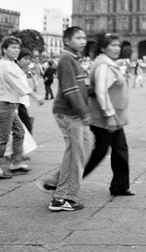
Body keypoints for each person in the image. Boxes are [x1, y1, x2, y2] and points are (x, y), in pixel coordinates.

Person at [35, 26, 92, 212]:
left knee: (75, 153)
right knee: (76, 155)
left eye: (84, 38)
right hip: (69, 113)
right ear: (67, 40)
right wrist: (83, 113)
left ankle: (62, 193)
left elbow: (78, 87)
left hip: (71, 112)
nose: (83, 41)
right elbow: (70, 90)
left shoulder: (73, 58)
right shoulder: (67, 58)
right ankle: (62, 197)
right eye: (78, 38)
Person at [83, 32, 134, 196]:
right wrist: (109, 115)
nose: (117, 48)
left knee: (120, 150)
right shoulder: (104, 65)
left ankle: (120, 186)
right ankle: (62, 181)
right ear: (103, 47)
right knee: (98, 153)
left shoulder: (107, 63)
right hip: (105, 117)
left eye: (118, 45)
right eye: (113, 45)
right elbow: (101, 92)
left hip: (113, 117)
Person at [0, 38, 44, 180]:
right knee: (3, 137)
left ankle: (16, 162)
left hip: (9, 104)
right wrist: (35, 96)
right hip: (4, 104)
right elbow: (17, 84)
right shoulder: (4, 65)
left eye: (18, 48)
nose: (16, 50)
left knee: (19, 131)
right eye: (13, 47)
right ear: (4, 49)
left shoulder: (10, 64)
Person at [16, 49, 43, 137]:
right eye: (25, 59)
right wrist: (36, 97)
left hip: (22, 104)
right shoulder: (16, 72)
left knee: (24, 130)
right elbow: (21, 88)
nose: (28, 62)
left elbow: (29, 89)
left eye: (29, 59)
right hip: (16, 105)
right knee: (26, 130)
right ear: (18, 60)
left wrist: (35, 83)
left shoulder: (24, 73)